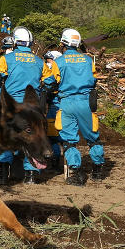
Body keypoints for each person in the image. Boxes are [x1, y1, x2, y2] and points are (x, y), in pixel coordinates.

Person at [43, 28, 103, 185]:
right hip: (86, 103)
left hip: (67, 103)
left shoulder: (59, 62)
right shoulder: (88, 60)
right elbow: (94, 80)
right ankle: (97, 171)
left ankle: (76, 172)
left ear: (63, 43)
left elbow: (50, 82)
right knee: (93, 138)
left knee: (69, 140)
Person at [0, 26, 46, 185]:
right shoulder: (39, 61)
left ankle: (2, 175)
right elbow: (50, 82)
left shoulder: (6, 59)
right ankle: (30, 176)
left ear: (14, 42)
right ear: (30, 43)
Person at [43, 51, 63, 171]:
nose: (47, 62)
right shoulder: (65, 71)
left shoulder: (52, 72)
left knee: (53, 136)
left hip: (55, 106)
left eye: (49, 59)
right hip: (62, 105)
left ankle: (56, 162)